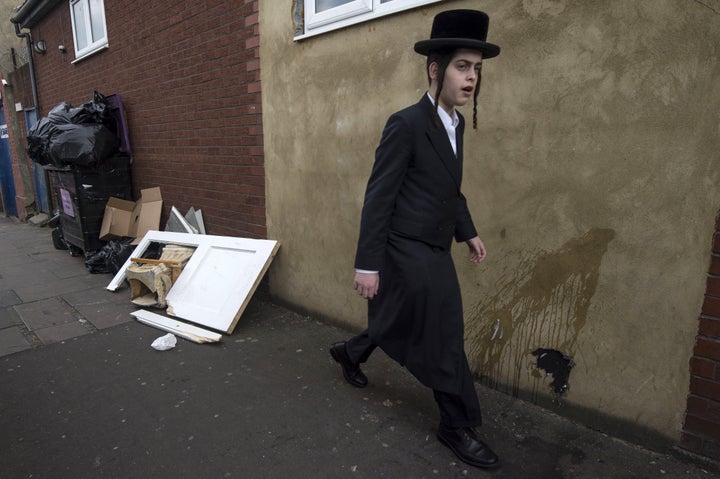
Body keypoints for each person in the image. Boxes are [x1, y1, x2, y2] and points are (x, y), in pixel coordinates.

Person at [329, 9, 501, 469]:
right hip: (403, 250)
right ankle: (454, 424)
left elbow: (449, 189)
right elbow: (378, 197)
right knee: (444, 332)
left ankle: (348, 352)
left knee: (398, 321)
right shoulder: (404, 124)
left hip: (435, 246)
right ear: (435, 68)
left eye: (477, 69)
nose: (471, 78)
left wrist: (469, 233)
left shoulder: (456, 125)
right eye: (463, 67)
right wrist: (367, 264)